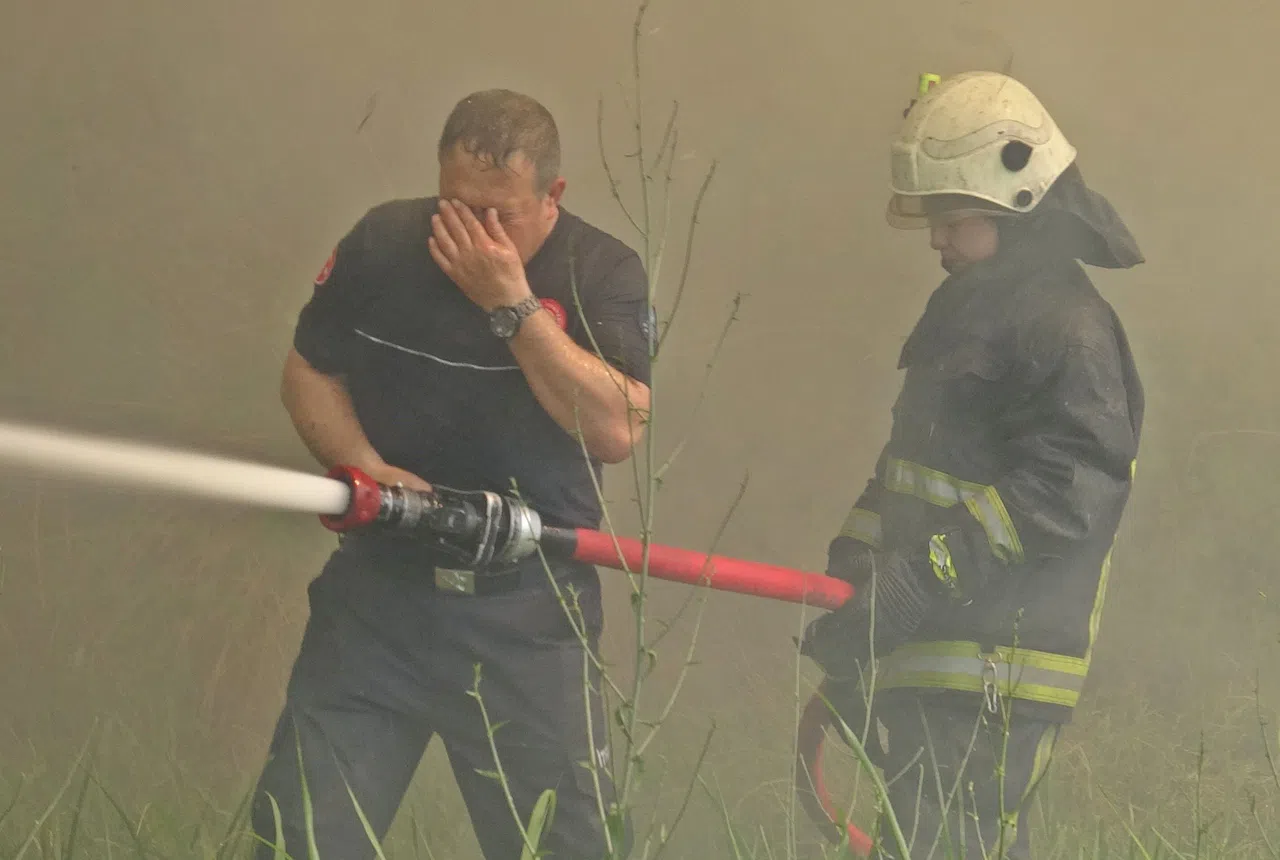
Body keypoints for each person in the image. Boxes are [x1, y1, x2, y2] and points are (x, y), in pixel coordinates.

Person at [249, 88, 652, 860]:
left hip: (529, 621)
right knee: (303, 838)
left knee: (564, 848)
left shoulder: (603, 271)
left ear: (553, 197)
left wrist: (510, 303)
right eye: (455, 205)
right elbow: (307, 370)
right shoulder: (384, 243)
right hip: (377, 609)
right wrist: (364, 466)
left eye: (497, 215)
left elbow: (615, 431)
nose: (469, 231)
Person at [799, 71, 1145, 859]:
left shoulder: (1070, 325)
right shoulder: (969, 312)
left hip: (995, 659)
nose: (936, 239)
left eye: (952, 219)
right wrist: (856, 568)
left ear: (1016, 211)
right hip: (930, 646)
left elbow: (1068, 486)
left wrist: (922, 575)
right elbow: (908, 470)